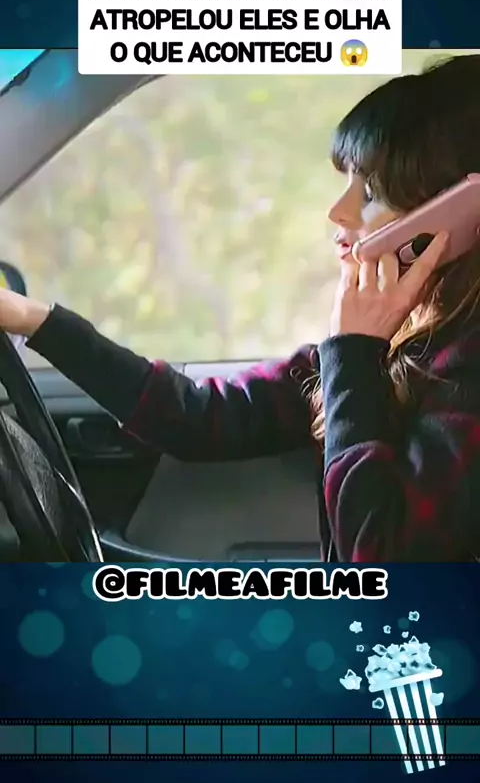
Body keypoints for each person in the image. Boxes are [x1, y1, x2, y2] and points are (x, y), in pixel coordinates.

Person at [2, 54, 480, 563]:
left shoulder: (456, 367)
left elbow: (382, 564)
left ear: (461, 210)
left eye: (372, 193)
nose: (337, 212)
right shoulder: (401, 342)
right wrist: (36, 320)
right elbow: (198, 416)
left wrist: (355, 351)